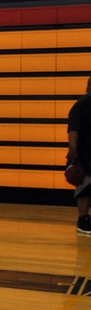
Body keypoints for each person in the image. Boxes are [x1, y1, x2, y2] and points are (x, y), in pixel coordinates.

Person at [67, 76, 91, 234]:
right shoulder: (82, 105)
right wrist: (73, 151)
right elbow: (73, 129)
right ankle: (83, 220)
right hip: (86, 154)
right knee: (85, 187)